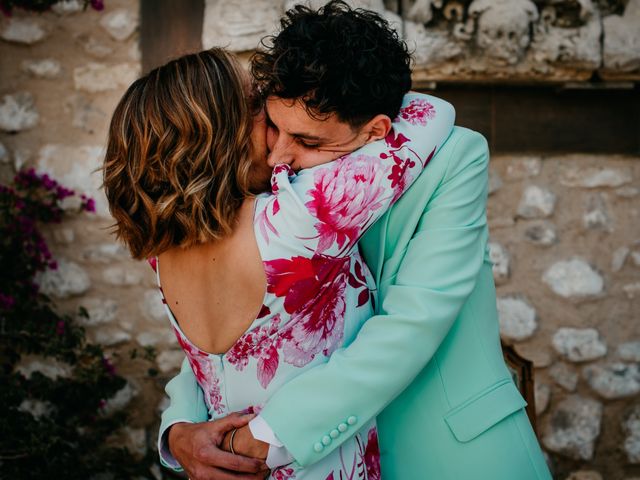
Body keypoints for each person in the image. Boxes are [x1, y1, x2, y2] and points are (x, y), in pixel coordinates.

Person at [159, 2, 552, 480]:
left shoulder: (452, 159)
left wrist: (267, 435)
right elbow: (238, 324)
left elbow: (413, 322)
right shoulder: (272, 177)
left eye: (307, 141)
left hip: (450, 449)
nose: (280, 155)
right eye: (275, 127)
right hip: (325, 459)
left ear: (377, 130)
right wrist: (179, 428)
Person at [103, 34, 455, 480]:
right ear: (218, 138)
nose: (272, 113)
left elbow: (208, 367)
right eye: (258, 108)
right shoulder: (300, 218)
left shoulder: (162, 252)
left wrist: (177, 432)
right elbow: (431, 113)